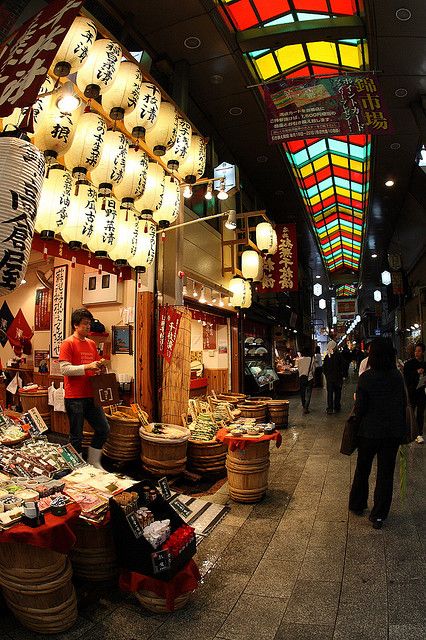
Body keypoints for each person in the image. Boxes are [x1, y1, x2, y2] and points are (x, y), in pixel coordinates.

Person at [349, 338, 408, 529]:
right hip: (391, 434)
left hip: (368, 432)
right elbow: (402, 404)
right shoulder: (397, 377)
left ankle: (358, 504)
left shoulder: (366, 378)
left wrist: (355, 426)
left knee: (363, 468)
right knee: (385, 473)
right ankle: (379, 515)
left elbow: (360, 408)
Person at [59, 308, 110, 467]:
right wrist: (88, 366)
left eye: (89, 323)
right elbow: (64, 369)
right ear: (76, 325)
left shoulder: (91, 343)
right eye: (85, 324)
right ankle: (76, 468)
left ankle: (93, 462)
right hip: (74, 397)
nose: (88, 326)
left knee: (103, 429)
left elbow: (94, 366)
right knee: (76, 436)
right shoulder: (67, 343)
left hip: (91, 395)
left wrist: (100, 369)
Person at [403, 342, 426, 444]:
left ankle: (419, 433)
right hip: (412, 392)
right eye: (416, 351)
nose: (417, 353)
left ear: (423, 352)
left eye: (419, 351)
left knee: (420, 413)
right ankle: (409, 432)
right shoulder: (409, 364)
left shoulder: (425, 364)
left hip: (421, 392)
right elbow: (406, 378)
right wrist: (416, 372)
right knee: (410, 412)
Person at [322, 340, 344, 414]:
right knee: (338, 393)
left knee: (330, 393)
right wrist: (342, 375)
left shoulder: (327, 357)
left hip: (330, 379)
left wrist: (327, 375)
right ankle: (337, 407)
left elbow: (324, 368)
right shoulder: (339, 356)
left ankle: (330, 408)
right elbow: (343, 366)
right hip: (338, 378)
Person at [296, 346, 316, 414]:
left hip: (301, 378)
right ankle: (306, 407)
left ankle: (303, 405)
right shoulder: (311, 359)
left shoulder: (299, 360)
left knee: (302, 392)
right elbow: (313, 369)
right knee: (308, 393)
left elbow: (297, 368)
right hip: (309, 378)